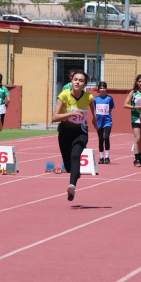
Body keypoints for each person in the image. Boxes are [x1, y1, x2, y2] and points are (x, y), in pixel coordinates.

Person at [53, 71, 96, 201]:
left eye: (81, 80)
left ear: (85, 84)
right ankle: (75, 174)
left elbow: (93, 114)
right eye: (75, 79)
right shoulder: (64, 95)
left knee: (76, 155)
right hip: (65, 132)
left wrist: (95, 122)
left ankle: (72, 187)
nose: (77, 82)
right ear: (71, 81)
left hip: (80, 131)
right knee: (69, 166)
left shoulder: (89, 97)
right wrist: (70, 114)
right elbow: (54, 117)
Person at [94, 81, 115, 164]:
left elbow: (110, 109)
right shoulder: (95, 99)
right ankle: (101, 157)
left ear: (106, 89)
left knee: (106, 137)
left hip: (107, 121)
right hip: (99, 122)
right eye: (101, 88)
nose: (102, 89)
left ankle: (107, 156)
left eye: (104, 88)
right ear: (98, 89)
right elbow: (94, 110)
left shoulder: (109, 98)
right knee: (100, 139)